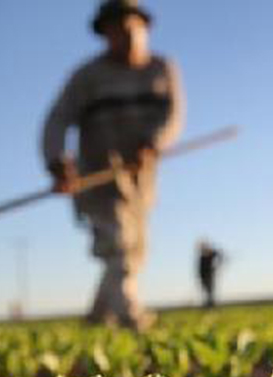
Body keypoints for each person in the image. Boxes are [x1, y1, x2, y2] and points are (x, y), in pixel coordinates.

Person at [42, 0, 184, 330]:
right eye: (115, 30)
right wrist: (56, 161)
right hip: (98, 178)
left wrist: (153, 143)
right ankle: (130, 317)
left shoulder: (162, 69)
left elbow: (172, 116)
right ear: (105, 34)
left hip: (141, 181)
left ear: (144, 28)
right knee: (117, 244)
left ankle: (96, 317)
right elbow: (56, 121)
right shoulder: (87, 77)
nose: (124, 36)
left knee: (134, 251)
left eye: (130, 27)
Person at [197, 241, 224, 308]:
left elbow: (219, 254)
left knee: (210, 291)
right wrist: (200, 276)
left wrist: (217, 264)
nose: (201, 249)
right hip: (203, 277)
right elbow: (200, 268)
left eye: (203, 247)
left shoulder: (210, 254)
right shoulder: (202, 257)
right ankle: (208, 305)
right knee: (206, 292)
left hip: (210, 276)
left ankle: (211, 305)